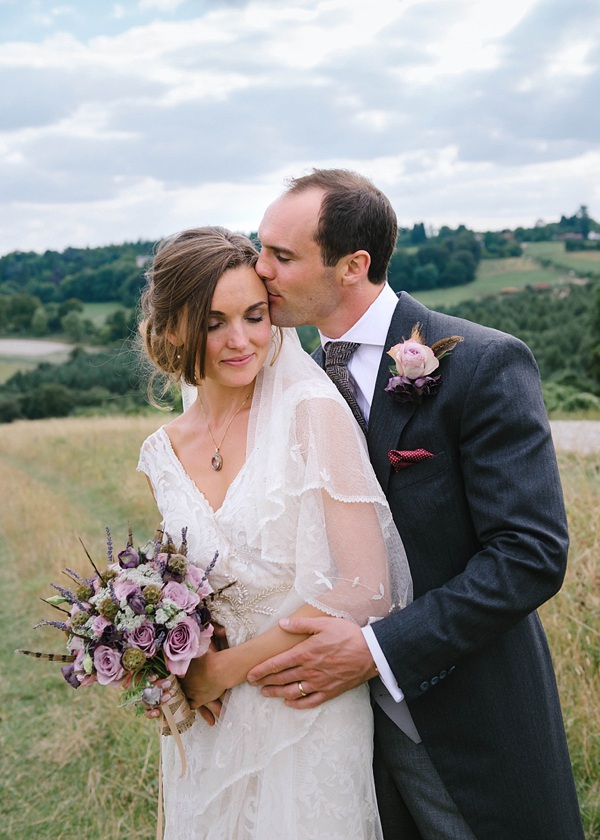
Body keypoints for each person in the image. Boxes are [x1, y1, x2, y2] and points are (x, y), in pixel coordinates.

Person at [242, 169, 586, 840]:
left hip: (466, 716)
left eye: (281, 256)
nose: (260, 271)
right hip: (333, 739)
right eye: (261, 249)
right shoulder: (284, 386)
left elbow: (531, 555)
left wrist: (377, 650)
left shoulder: (481, 364)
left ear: (353, 265)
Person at [136, 226, 412, 839]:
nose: (241, 341)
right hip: (210, 716)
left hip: (304, 701)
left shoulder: (309, 412)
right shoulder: (161, 452)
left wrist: (227, 669)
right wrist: (169, 659)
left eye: (255, 316)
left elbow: (367, 587)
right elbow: (182, 589)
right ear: (174, 329)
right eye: (214, 323)